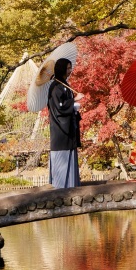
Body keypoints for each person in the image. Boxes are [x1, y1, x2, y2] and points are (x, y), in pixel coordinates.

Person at [48, 57, 84, 188]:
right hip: (60, 130)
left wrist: (74, 106)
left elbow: (65, 105)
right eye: (68, 68)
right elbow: (59, 107)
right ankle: (61, 187)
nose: (70, 70)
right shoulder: (55, 87)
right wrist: (74, 100)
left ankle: (71, 186)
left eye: (70, 67)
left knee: (71, 155)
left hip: (69, 128)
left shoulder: (64, 84)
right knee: (62, 159)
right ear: (62, 68)